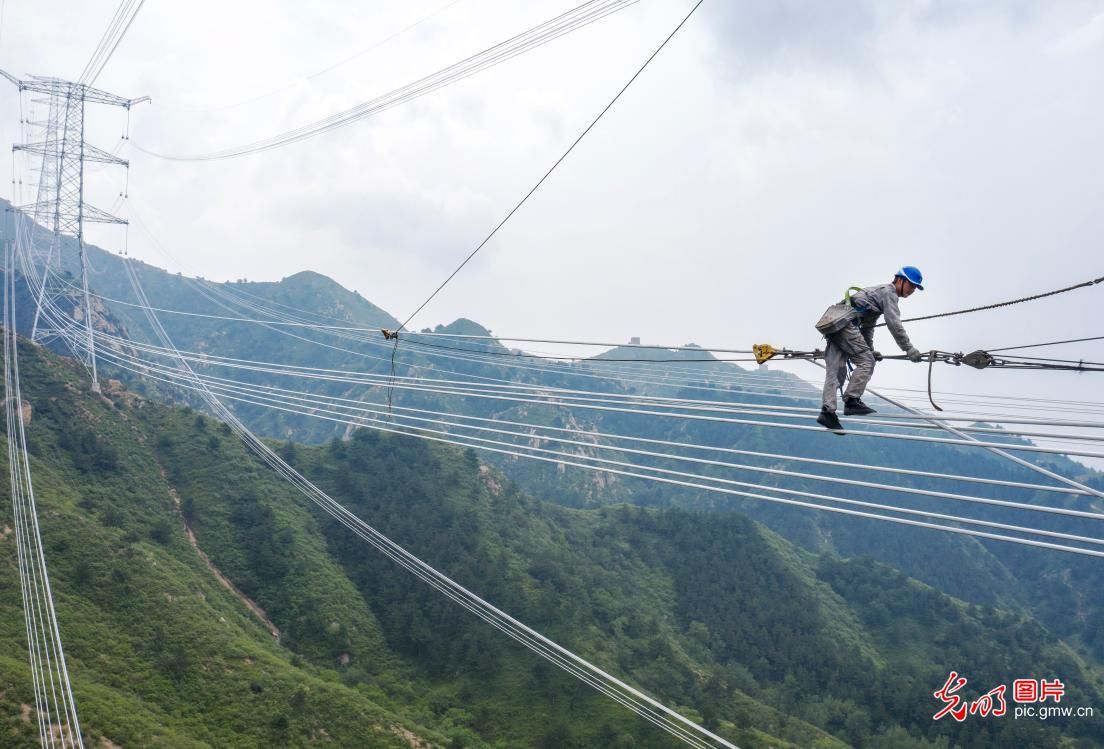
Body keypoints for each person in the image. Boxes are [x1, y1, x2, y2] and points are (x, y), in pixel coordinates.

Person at [817, 267, 925, 431]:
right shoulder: (889, 293)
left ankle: (827, 413)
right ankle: (852, 400)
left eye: (915, 288)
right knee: (867, 362)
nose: (912, 290)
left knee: (836, 369)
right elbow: (894, 324)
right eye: (911, 285)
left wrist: (870, 349)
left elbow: (867, 327)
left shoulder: (876, 295)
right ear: (900, 280)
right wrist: (908, 349)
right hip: (845, 322)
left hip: (835, 323)